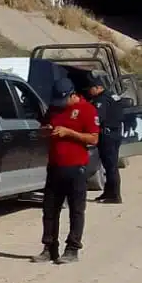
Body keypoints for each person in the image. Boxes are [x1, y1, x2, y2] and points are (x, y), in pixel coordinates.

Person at [34, 77, 99, 264]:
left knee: (76, 211)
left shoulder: (87, 110)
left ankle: (72, 248)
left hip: (76, 167)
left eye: (64, 100)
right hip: (54, 166)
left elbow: (93, 139)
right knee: (49, 210)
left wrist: (69, 133)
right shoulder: (54, 109)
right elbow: (43, 129)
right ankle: (49, 248)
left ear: (73, 95)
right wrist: (45, 130)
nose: (61, 105)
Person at [85, 76, 126, 204]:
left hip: (107, 135)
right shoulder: (112, 96)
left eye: (91, 89)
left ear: (98, 87)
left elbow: (97, 118)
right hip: (114, 133)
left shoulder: (102, 100)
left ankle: (115, 196)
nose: (89, 91)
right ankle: (108, 192)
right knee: (109, 165)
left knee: (110, 166)